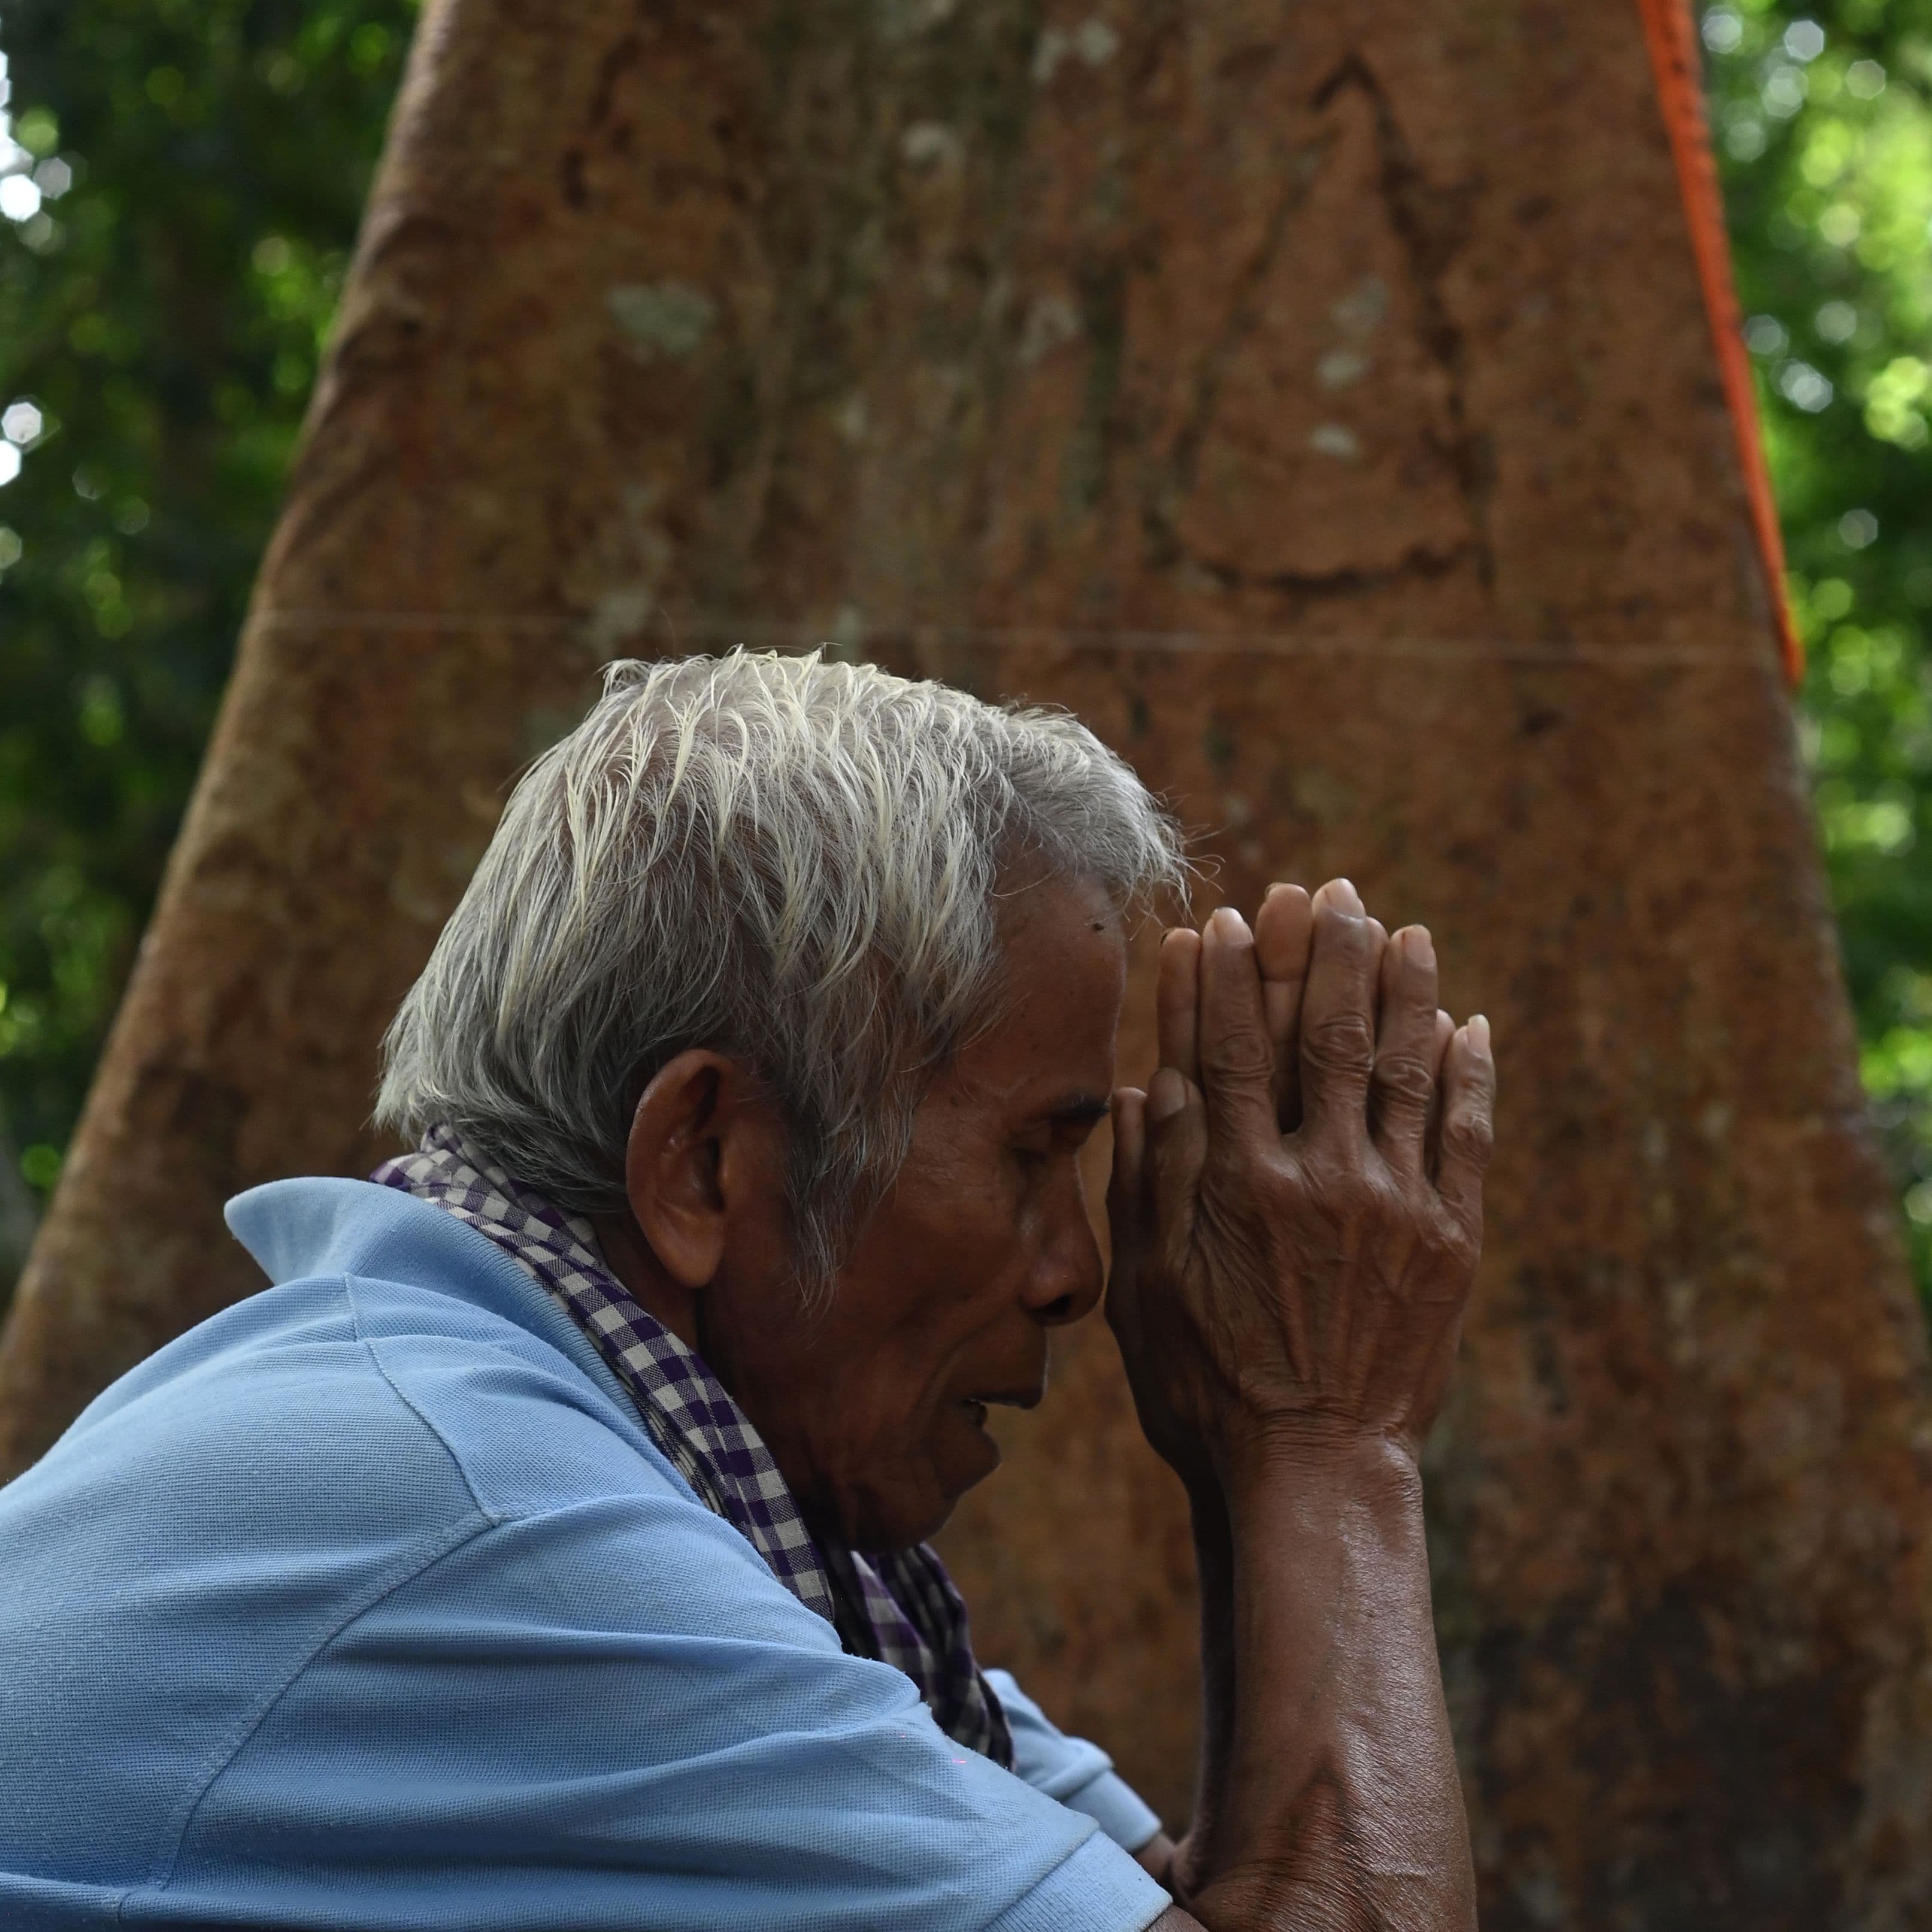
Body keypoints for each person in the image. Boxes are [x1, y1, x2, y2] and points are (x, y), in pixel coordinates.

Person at [0, 651, 1495, 1931]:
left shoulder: (626, 1479)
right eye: (1037, 1153)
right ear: (705, 1162)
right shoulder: (494, 1515)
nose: (1075, 1272)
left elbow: (1177, 1895)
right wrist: (1324, 1432)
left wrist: (1252, 1473)